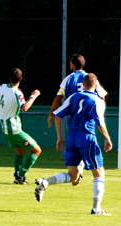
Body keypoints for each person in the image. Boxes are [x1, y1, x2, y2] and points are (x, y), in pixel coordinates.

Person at [36, 74, 113, 215]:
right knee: (99, 172)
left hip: (72, 138)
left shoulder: (73, 97)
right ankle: (96, 208)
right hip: (87, 137)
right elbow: (100, 123)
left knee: (73, 176)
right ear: (96, 86)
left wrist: (59, 137)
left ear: (83, 85)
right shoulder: (97, 100)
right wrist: (107, 138)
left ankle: (46, 182)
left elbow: (57, 114)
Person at [0, 68, 41, 185]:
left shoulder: (1, 87)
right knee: (36, 151)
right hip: (14, 129)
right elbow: (24, 108)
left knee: (20, 152)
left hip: (5, 128)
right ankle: (20, 174)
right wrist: (33, 96)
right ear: (21, 79)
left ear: (9, 78)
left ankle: (18, 178)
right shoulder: (17, 92)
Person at [46, 54, 108, 129]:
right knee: (88, 135)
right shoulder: (90, 78)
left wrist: (50, 114)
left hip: (72, 115)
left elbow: (58, 98)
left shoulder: (68, 79)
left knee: (73, 137)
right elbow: (102, 96)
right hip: (87, 114)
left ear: (73, 64)